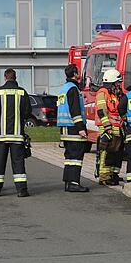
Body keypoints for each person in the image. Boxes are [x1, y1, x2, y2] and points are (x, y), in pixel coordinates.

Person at [0, 68, 33, 197]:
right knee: (18, 164)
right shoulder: (22, 92)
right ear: (15, 78)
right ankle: (22, 190)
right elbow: (27, 112)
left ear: (5, 77)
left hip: (0, 136)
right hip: (17, 135)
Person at [55, 64, 90, 192]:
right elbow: (75, 110)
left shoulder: (63, 88)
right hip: (74, 128)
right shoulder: (73, 89)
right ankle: (74, 183)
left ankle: (68, 182)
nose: (79, 74)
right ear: (75, 74)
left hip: (64, 128)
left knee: (69, 157)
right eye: (78, 72)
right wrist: (81, 128)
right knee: (76, 157)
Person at [94, 68, 125, 186]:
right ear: (112, 82)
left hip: (117, 128)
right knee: (106, 152)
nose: (119, 85)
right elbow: (102, 111)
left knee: (116, 153)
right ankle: (104, 176)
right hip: (107, 128)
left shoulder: (114, 94)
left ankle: (113, 174)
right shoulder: (103, 93)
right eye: (117, 82)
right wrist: (107, 127)